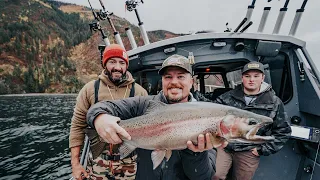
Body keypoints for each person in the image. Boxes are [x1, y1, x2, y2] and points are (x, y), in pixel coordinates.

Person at [86, 54, 225, 180]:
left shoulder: (208, 117)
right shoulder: (144, 103)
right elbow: (101, 107)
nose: (174, 82)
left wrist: (197, 153)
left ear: (192, 82)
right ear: (162, 81)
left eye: (181, 76)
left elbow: (204, 177)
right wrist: (100, 118)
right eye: (168, 77)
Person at [69, 44, 148, 180]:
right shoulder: (90, 89)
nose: (117, 67)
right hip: (97, 163)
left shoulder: (140, 92)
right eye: (112, 61)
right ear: (105, 64)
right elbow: (77, 126)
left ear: (126, 65)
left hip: (129, 164)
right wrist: (75, 164)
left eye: (122, 62)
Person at [212, 61, 292, 180]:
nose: (251, 80)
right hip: (225, 146)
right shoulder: (227, 97)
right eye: (247, 76)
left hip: (249, 150)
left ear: (262, 78)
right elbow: (211, 115)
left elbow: (283, 131)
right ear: (242, 78)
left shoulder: (274, 102)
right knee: (215, 175)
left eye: (256, 76)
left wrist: (262, 150)